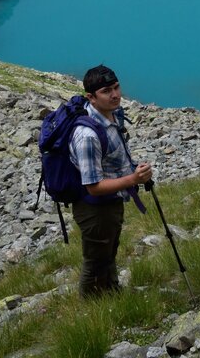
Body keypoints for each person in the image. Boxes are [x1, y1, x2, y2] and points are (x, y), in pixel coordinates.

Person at [68, 64, 153, 297]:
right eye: (106, 91)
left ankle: (112, 293)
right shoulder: (87, 136)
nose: (115, 94)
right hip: (94, 209)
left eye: (116, 87)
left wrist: (135, 171)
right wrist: (133, 179)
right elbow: (93, 187)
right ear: (91, 97)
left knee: (108, 252)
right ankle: (91, 311)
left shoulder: (112, 114)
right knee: (96, 259)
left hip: (111, 201)